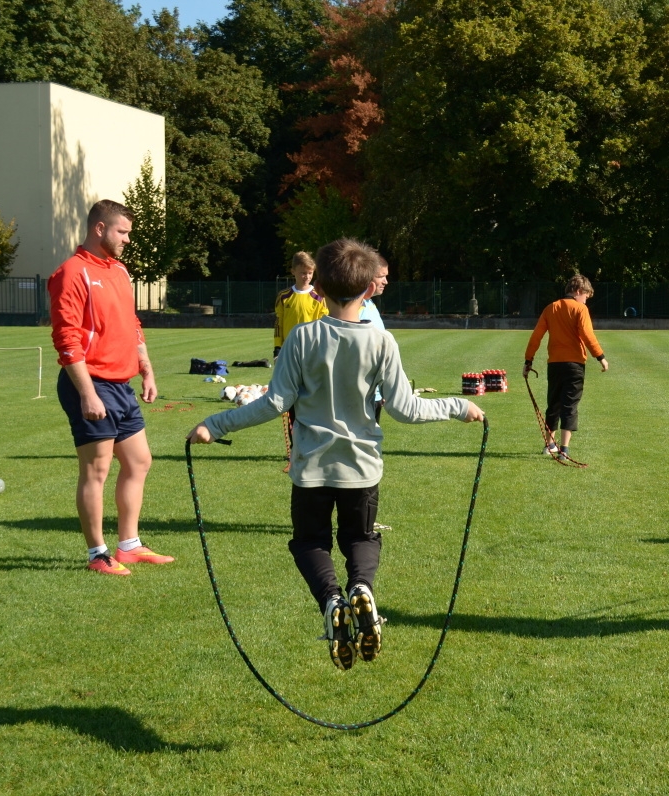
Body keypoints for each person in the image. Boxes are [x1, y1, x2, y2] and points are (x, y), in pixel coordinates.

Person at [188, 239, 484, 670]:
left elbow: (273, 403)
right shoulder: (381, 341)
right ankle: (361, 588)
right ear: (368, 290)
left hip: (310, 470)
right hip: (361, 471)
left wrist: (214, 424)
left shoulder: (303, 337)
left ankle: (331, 599)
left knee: (310, 542)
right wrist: (459, 406)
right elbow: (407, 409)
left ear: (319, 289)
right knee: (360, 539)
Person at [49, 200, 171, 575]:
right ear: (99, 228)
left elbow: (131, 323)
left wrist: (146, 368)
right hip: (90, 382)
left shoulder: (118, 270)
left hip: (121, 384)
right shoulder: (71, 272)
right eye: (123, 231)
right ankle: (97, 555)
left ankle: (129, 545)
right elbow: (66, 338)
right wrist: (87, 393)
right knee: (96, 470)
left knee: (139, 461)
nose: (128, 239)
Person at [522, 275, 609, 458]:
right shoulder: (580, 309)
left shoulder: (550, 308)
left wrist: (528, 361)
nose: (586, 300)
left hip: (554, 363)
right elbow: (587, 335)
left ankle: (549, 445)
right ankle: (565, 449)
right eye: (585, 296)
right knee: (570, 405)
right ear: (578, 291)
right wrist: (600, 357)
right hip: (575, 364)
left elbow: (536, 337)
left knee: (553, 403)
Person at [273, 251, 326, 359]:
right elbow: (279, 323)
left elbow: (324, 324)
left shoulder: (320, 296)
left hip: (312, 349)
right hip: (289, 349)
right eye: (303, 273)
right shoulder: (283, 296)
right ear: (293, 271)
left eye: (310, 273)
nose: (307, 276)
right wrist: (277, 347)